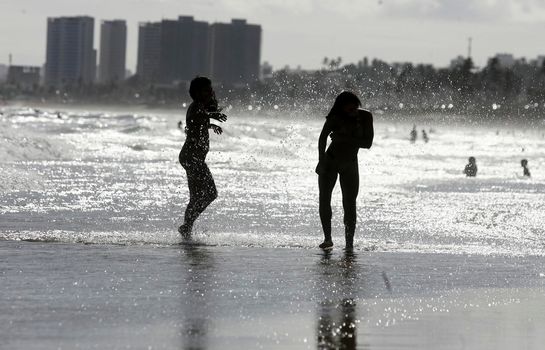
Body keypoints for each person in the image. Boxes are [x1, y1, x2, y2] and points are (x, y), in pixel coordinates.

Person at [316, 91, 374, 250]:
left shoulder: (366, 117)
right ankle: (328, 239)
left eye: (356, 107)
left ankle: (349, 244)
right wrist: (321, 161)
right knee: (324, 199)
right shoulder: (335, 117)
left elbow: (367, 143)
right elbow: (322, 139)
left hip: (350, 164)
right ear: (341, 108)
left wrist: (344, 138)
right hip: (331, 161)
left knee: (349, 204)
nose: (354, 112)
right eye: (349, 110)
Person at [178, 77, 227, 238]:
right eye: (206, 90)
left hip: (192, 158)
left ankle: (187, 227)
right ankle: (187, 226)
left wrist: (211, 124)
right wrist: (213, 115)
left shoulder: (200, 108)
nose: (210, 92)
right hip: (192, 158)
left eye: (210, 89)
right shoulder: (196, 107)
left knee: (197, 196)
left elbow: (198, 122)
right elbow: (197, 117)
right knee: (210, 193)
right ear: (197, 93)